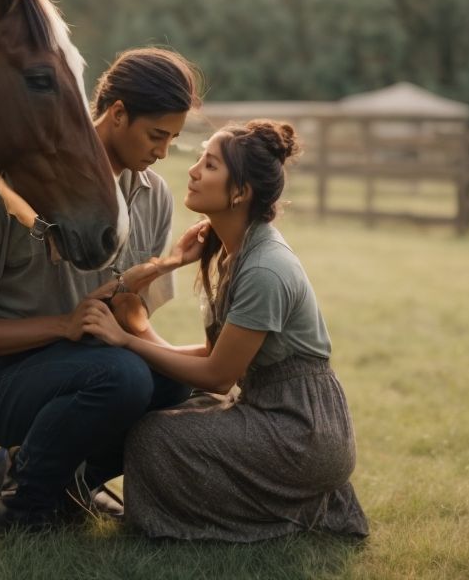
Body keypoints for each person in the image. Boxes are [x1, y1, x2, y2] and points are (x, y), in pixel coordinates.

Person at [0, 47, 200, 533]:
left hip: (93, 368)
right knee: (124, 377)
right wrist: (63, 325)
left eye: (173, 139)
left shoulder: (153, 195)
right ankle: (22, 510)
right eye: (157, 135)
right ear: (117, 114)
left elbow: (130, 317)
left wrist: (159, 277)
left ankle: (57, 481)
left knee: (176, 381)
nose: (162, 152)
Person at [81, 120, 370, 542]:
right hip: (275, 415)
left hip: (302, 433)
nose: (194, 170)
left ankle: (307, 509)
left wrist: (125, 339)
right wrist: (140, 329)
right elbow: (214, 357)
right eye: (200, 159)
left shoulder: (265, 268)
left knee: (154, 438)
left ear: (241, 192)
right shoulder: (237, 253)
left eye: (210, 164)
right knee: (172, 407)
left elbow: (219, 376)